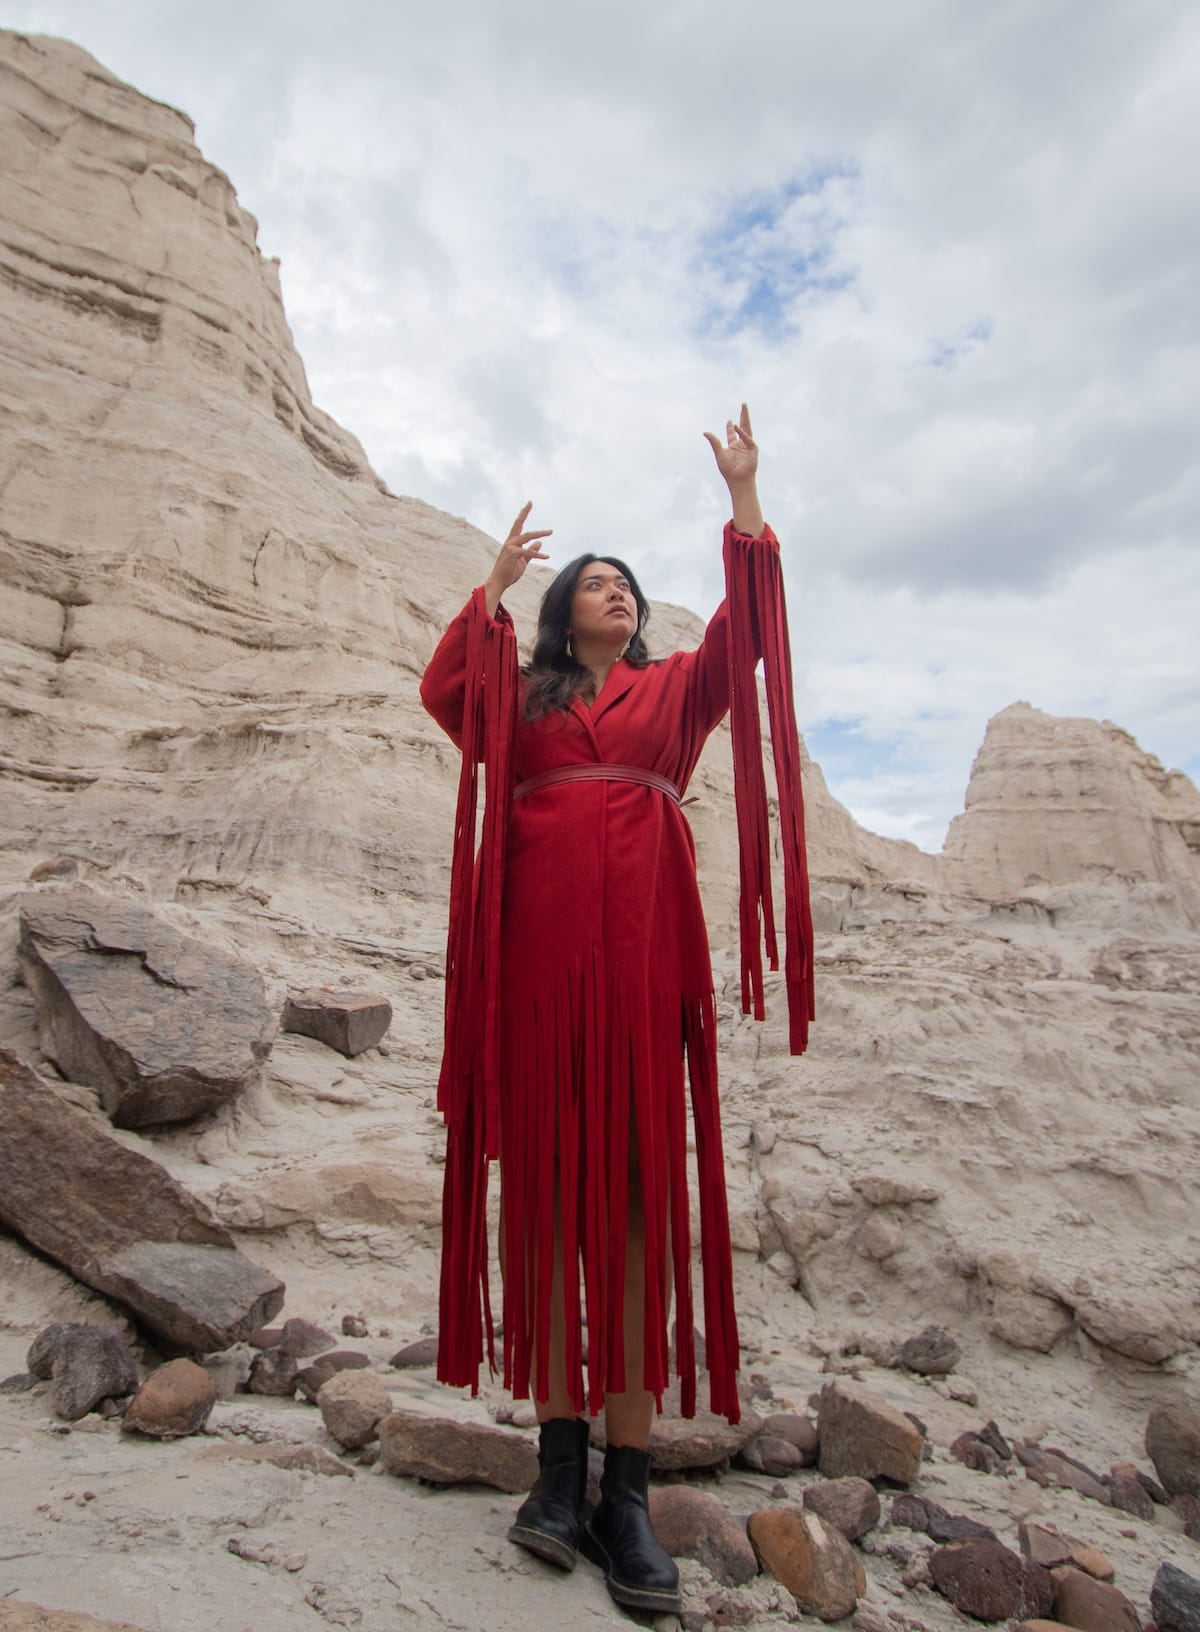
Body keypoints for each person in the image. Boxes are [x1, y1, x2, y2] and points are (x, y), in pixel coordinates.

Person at [419, 405, 813, 1615]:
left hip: (646, 969)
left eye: (626, 583)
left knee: (639, 1206)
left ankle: (626, 1496)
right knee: (543, 1203)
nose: (616, 593)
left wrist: (744, 502)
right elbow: (444, 688)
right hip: (537, 975)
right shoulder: (523, 705)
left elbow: (749, 635)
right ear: (561, 611)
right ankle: (554, 1477)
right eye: (595, 584)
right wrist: (488, 584)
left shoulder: (677, 696)